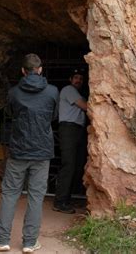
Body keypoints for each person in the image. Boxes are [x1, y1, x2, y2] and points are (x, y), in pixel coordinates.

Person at [0, 53, 59, 253]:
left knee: (10, 193)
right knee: (36, 196)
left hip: (18, 150)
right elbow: (54, 116)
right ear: (40, 69)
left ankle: (1, 240)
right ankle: (30, 242)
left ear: (23, 71)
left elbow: (10, 113)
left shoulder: (15, 92)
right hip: (42, 151)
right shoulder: (52, 92)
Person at [53, 68, 88, 214]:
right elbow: (85, 106)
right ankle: (60, 202)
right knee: (69, 164)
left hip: (76, 130)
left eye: (80, 78)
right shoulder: (69, 89)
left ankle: (67, 199)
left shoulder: (77, 93)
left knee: (77, 164)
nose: (78, 80)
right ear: (70, 79)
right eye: (76, 78)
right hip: (69, 129)